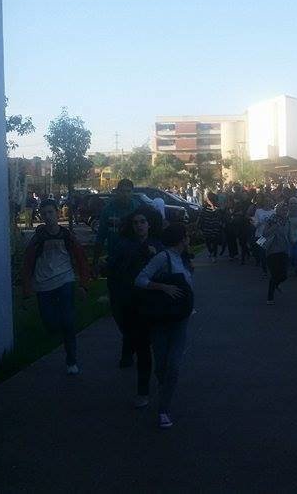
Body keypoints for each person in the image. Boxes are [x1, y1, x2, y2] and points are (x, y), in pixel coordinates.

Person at [134, 223, 194, 429]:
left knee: (174, 365)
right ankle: (163, 385)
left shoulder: (185, 258)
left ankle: (163, 408)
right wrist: (163, 287)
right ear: (180, 239)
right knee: (161, 364)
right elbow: (140, 279)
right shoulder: (163, 257)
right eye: (186, 237)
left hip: (179, 319)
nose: (189, 241)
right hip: (160, 318)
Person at [22, 199, 91, 374]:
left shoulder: (67, 236)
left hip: (65, 280)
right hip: (43, 284)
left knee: (68, 321)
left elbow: (81, 259)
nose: (48, 216)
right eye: (44, 214)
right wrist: (27, 291)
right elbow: (28, 264)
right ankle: (61, 333)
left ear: (57, 213)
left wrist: (83, 284)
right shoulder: (37, 239)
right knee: (50, 323)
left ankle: (71, 360)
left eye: (51, 212)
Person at [110, 208, 165, 407]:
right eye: (135, 223)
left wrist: (154, 256)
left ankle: (154, 385)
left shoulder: (158, 246)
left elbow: (165, 272)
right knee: (141, 346)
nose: (139, 225)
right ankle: (143, 390)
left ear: (149, 224)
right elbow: (115, 270)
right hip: (132, 303)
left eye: (143, 222)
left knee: (154, 347)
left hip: (154, 305)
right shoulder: (124, 246)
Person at [92, 178, 145, 367]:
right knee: (117, 309)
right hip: (114, 265)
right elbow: (100, 238)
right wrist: (94, 263)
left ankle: (127, 351)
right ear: (116, 191)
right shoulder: (109, 210)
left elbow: (147, 231)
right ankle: (129, 340)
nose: (125, 194)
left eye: (129, 191)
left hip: (134, 265)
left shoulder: (137, 208)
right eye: (122, 191)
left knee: (132, 309)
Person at [262, 202, 292, 305]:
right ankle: (270, 297)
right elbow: (264, 233)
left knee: (284, 275)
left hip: (284, 250)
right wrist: (275, 226)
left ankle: (276, 285)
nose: (284, 212)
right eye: (282, 210)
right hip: (272, 251)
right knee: (275, 274)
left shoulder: (287, 221)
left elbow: (289, 235)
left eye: (286, 210)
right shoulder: (271, 220)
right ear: (277, 210)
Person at [199, 192, 224, 263]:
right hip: (207, 228)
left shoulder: (217, 208)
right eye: (208, 199)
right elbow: (201, 217)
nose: (209, 200)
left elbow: (219, 216)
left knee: (214, 242)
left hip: (214, 228)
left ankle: (214, 255)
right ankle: (211, 252)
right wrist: (200, 226)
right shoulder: (204, 208)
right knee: (208, 242)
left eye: (210, 199)